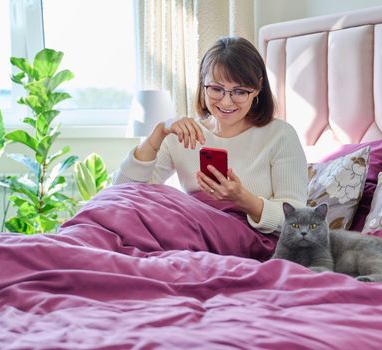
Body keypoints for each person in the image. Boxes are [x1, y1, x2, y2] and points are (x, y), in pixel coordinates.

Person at [114, 36, 308, 237]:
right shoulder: (184, 133)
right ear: (203, 83)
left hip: (249, 243)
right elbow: (121, 194)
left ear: (257, 88)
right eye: (216, 89)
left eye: (240, 91)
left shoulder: (280, 136)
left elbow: (298, 220)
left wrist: (244, 200)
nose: (226, 102)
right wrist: (159, 133)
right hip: (191, 238)